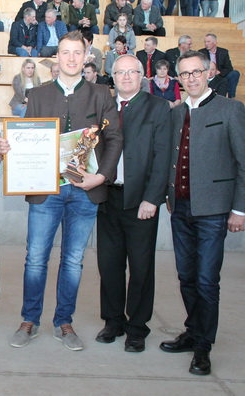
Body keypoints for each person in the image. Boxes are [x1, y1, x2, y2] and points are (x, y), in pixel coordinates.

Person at [2, 31, 122, 351]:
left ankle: (63, 321)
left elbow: (115, 140)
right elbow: (28, 138)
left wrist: (101, 177)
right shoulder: (39, 95)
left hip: (85, 191)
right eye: (65, 52)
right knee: (36, 259)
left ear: (87, 57)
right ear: (57, 57)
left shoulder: (101, 94)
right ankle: (29, 319)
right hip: (47, 190)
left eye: (76, 53)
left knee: (72, 260)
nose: (70, 58)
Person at [161, 50, 245, 376]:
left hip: (213, 210)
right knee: (187, 277)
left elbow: (243, 163)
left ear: (209, 72)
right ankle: (193, 330)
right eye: (185, 74)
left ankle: (203, 348)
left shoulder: (231, 109)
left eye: (196, 72)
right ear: (178, 79)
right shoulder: (175, 113)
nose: (191, 78)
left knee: (208, 281)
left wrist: (239, 210)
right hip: (180, 207)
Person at [96, 54, 171, 353]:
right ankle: (113, 320)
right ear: (111, 77)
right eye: (120, 72)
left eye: (132, 72)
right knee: (109, 264)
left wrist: (152, 198)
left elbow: (162, 155)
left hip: (141, 200)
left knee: (140, 267)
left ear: (142, 76)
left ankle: (137, 327)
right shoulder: (103, 108)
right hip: (106, 196)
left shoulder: (158, 107)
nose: (126, 77)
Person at [199, 33, 240, 98]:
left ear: (215, 42)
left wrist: (219, 72)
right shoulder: (201, 52)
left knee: (235, 73)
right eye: (205, 42)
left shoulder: (223, 52)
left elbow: (229, 68)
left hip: (220, 75)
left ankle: (230, 97)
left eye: (208, 41)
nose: (206, 44)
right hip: (208, 76)